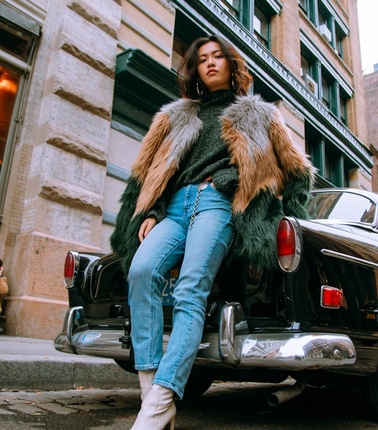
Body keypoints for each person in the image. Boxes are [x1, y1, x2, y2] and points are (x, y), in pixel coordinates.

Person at [110, 34, 315, 429]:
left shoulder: (260, 114)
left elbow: (297, 172)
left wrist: (269, 211)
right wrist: (150, 210)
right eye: (201, 58)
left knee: (190, 289)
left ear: (231, 64)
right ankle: (151, 393)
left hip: (218, 204)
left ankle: (160, 402)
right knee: (141, 270)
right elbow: (149, 173)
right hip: (174, 208)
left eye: (217, 56)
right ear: (195, 70)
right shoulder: (174, 116)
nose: (209, 62)